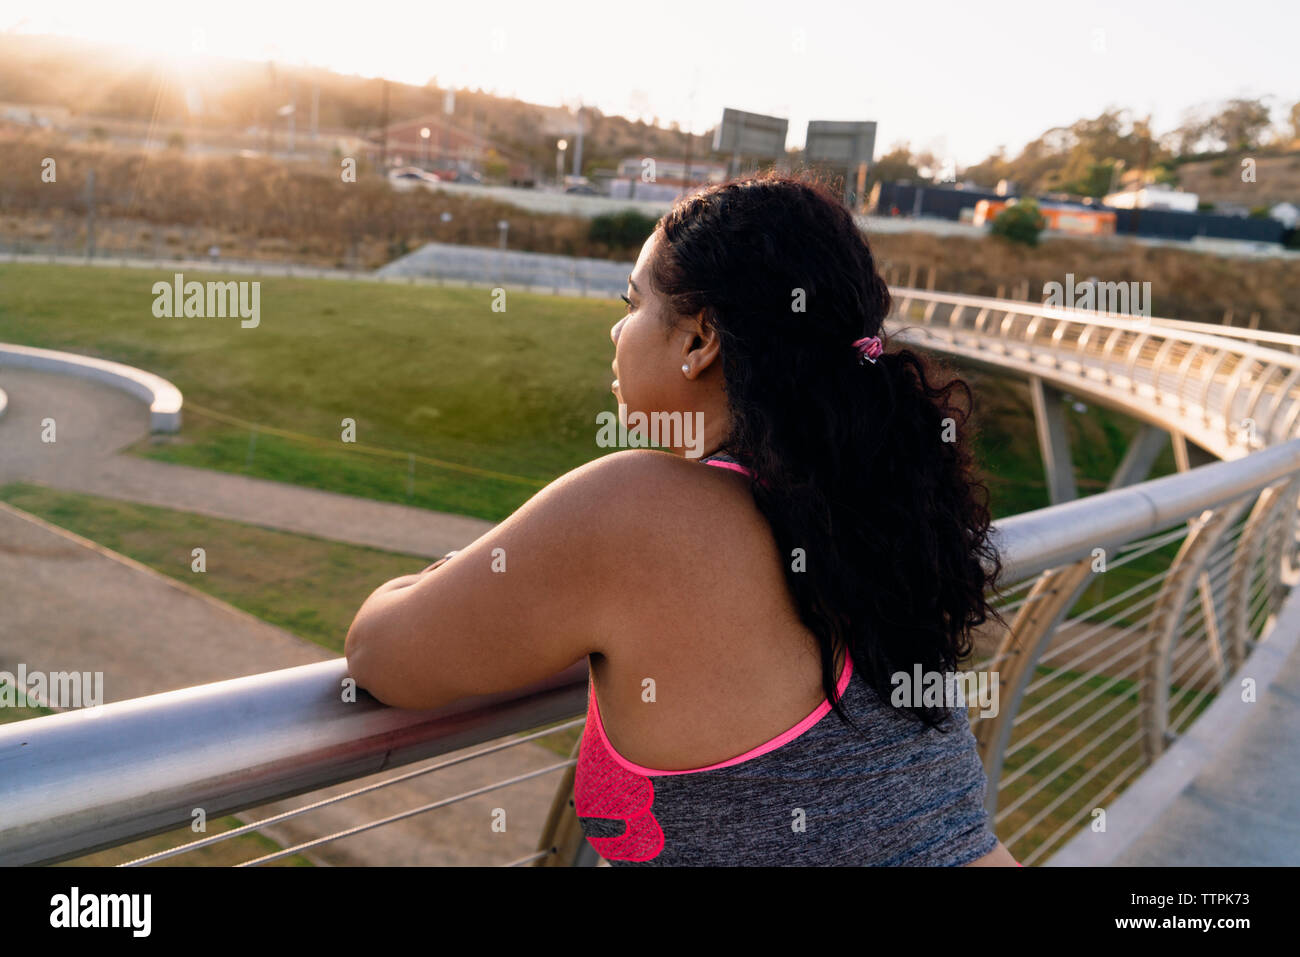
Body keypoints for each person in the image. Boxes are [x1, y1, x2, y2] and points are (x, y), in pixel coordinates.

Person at [346, 171, 1020, 866]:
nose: (616, 327)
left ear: (700, 340)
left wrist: (445, 576)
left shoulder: (638, 509)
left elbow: (381, 654)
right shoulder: (869, 515)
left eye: (632, 302)